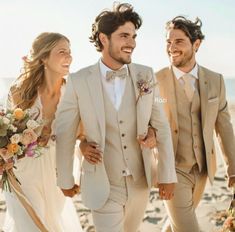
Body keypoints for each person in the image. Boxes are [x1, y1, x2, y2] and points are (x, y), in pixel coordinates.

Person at [56, 3, 177, 232]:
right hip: (102, 181)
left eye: (133, 36)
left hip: (140, 180)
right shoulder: (79, 81)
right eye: (124, 36)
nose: (131, 42)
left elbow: (160, 124)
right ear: (104, 38)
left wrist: (167, 174)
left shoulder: (145, 74)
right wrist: (65, 178)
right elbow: (65, 132)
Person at [156, 16, 235, 232]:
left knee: (176, 226)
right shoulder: (155, 82)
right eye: (168, 42)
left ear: (196, 44)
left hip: (202, 169)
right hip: (171, 170)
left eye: (179, 41)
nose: (172, 47)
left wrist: (233, 169)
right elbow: (147, 120)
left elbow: (224, 127)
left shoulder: (215, 80)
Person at [2, 32, 82, 232]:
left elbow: (83, 133)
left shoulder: (74, 92)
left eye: (70, 52)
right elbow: (6, 133)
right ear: (44, 58)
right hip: (22, 172)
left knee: (51, 225)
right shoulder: (19, 92)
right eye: (62, 52)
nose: (69, 57)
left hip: (56, 172)